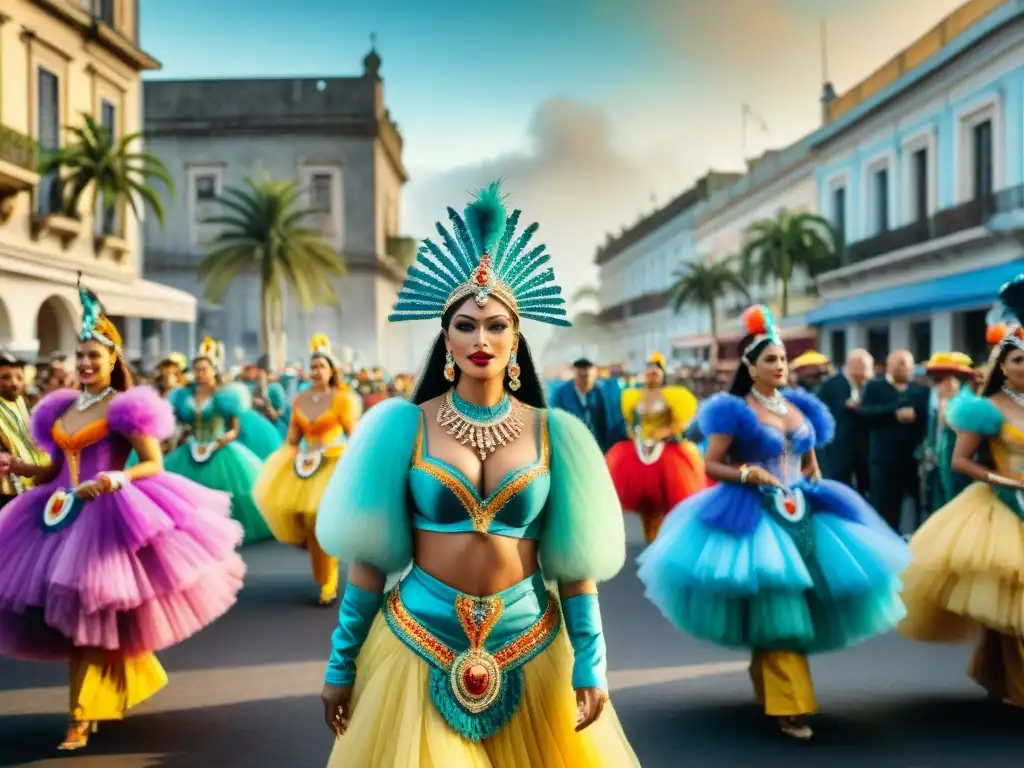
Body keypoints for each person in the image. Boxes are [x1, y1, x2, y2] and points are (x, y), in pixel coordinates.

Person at [315, 182, 638, 766]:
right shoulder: (400, 428)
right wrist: (341, 663)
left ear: (517, 339)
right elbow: (366, 560)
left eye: (495, 326)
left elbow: (577, 566)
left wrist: (592, 661)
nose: (480, 339)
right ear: (446, 338)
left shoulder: (555, 433)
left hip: (532, 643)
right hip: (418, 642)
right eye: (465, 325)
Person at [636, 305, 908, 742]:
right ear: (750, 367)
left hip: (806, 509)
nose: (780, 366)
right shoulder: (735, 411)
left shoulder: (801, 406)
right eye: (770, 360)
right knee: (779, 605)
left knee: (795, 605)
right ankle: (792, 705)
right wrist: (747, 473)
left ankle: (770, 685)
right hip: (754, 515)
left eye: (782, 359)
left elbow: (811, 457)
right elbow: (711, 464)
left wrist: (814, 476)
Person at [0, 275, 244, 750]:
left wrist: (118, 477)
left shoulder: (124, 409)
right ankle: (124, 680)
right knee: (74, 620)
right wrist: (22, 465)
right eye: (81, 355)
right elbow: (54, 468)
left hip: (108, 518)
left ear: (113, 360)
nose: (86, 362)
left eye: (95, 355)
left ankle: (79, 716)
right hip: (56, 516)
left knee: (88, 615)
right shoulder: (62, 408)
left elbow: (151, 461)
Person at [900, 275, 1024, 706]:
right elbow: (960, 461)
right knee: (1011, 600)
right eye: (1018, 361)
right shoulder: (984, 409)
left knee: (1012, 607)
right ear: (1002, 367)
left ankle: (994, 672)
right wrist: (1001, 480)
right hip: (1001, 509)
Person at [254, 334, 357, 604]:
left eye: (322, 366)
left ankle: (329, 583)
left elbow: (353, 433)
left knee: (319, 519)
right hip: (304, 463)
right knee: (305, 525)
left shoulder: (342, 399)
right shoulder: (299, 400)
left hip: (334, 461)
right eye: (312, 367)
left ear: (332, 371)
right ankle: (323, 572)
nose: (316, 371)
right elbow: (292, 437)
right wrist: (287, 456)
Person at [163, 339, 273, 544]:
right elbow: (178, 424)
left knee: (226, 492)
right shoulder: (183, 396)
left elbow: (234, 429)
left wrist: (218, 444)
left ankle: (225, 532)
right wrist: (179, 437)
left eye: (204, 369)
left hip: (221, 450)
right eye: (196, 369)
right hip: (190, 450)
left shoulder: (225, 395)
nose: (199, 374)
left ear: (213, 370)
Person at [606, 352, 706, 543]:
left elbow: (679, 424)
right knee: (644, 505)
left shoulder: (674, 396)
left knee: (668, 502)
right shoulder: (633, 396)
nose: (652, 375)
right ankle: (649, 536)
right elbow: (630, 423)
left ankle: (666, 540)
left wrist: (665, 433)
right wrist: (636, 436)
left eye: (656, 372)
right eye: (649, 372)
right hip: (638, 449)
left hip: (667, 452)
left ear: (662, 374)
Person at [860, 350, 929, 534]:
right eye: (899, 363)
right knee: (884, 507)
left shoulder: (920, 391)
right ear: (889, 366)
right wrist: (894, 412)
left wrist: (915, 415)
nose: (904, 368)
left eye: (907, 364)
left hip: (912, 460)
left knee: (917, 506)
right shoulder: (874, 387)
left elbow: (926, 417)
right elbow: (866, 413)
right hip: (883, 460)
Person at [918, 352, 975, 518]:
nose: (937, 387)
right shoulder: (938, 404)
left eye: (940, 382)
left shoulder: (966, 405)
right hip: (938, 466)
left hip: (957, 471)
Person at [816, 349, 873, 494]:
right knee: (840, 485)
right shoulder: (830, 385)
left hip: (865, 447)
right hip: (838, 446)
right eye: (864, 367)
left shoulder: (871, 385)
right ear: (852, 365)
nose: (867, 372)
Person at [0, 352, 48, 508]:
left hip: (28, 488)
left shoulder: (22, 402)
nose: (14, 383)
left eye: (19, 377)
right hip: (5, 491)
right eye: (5, 378)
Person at [549, 358, 623, 453]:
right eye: (581, 376)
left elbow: (608, 426)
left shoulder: (601, 393)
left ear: (595, 374)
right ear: (575, 374)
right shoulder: (561, 395)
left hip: (597, 449)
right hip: (572, 449)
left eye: (588, 376)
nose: (585, 381)